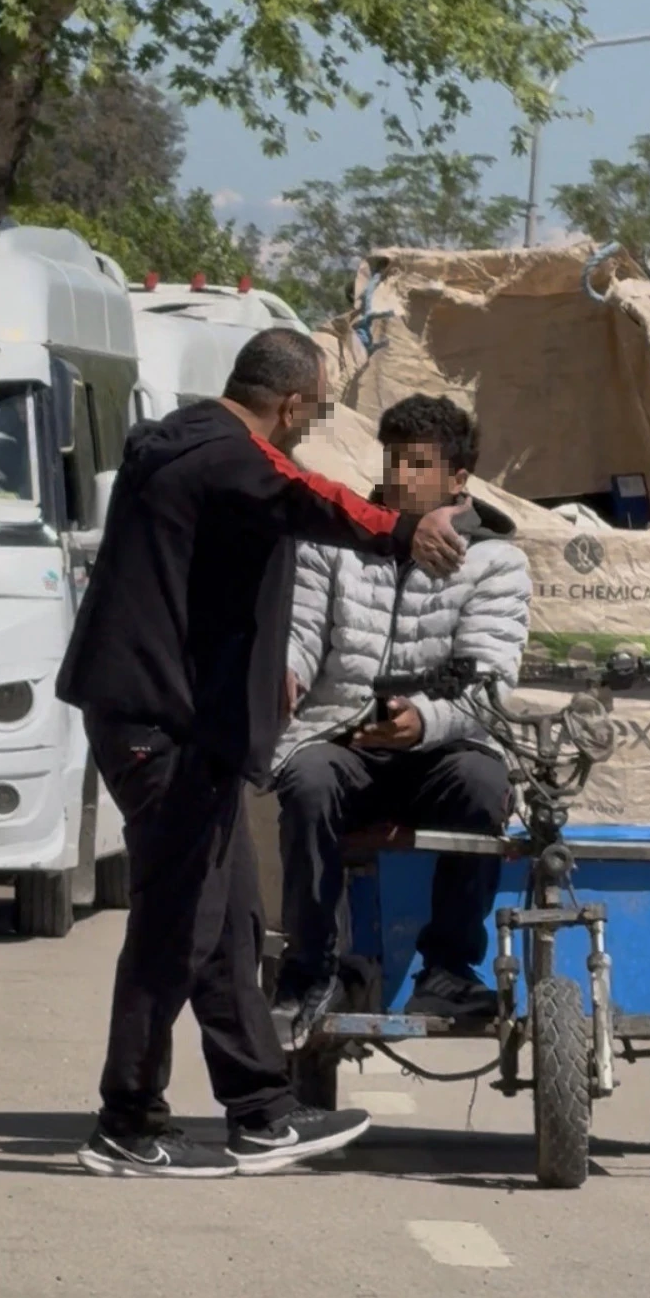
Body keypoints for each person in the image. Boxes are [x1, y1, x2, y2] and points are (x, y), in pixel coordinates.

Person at [56, 330, 469, 1179]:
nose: (306, 431)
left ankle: (260, 1109)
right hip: (159, 729)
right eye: (311, 413)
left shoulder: (181, 443)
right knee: (177, 926)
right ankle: (126, 1121)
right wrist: (404, 531)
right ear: (288, 404)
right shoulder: (229, 457)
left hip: (184, 726)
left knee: (232, 918)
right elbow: (311, 497)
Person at [270, 394, 532, 1048]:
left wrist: (426, 719)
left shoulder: (495, 561)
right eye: (394, 460)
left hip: (441, 747)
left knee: (482, 781)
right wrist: (286, 668)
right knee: (305, 780)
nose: (400, 476)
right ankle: (314, 968)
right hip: (345, 736)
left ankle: (447, 966)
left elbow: (490, 676)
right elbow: (302, 629)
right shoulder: (336, 538)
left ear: (458, 478)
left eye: (418, 463)